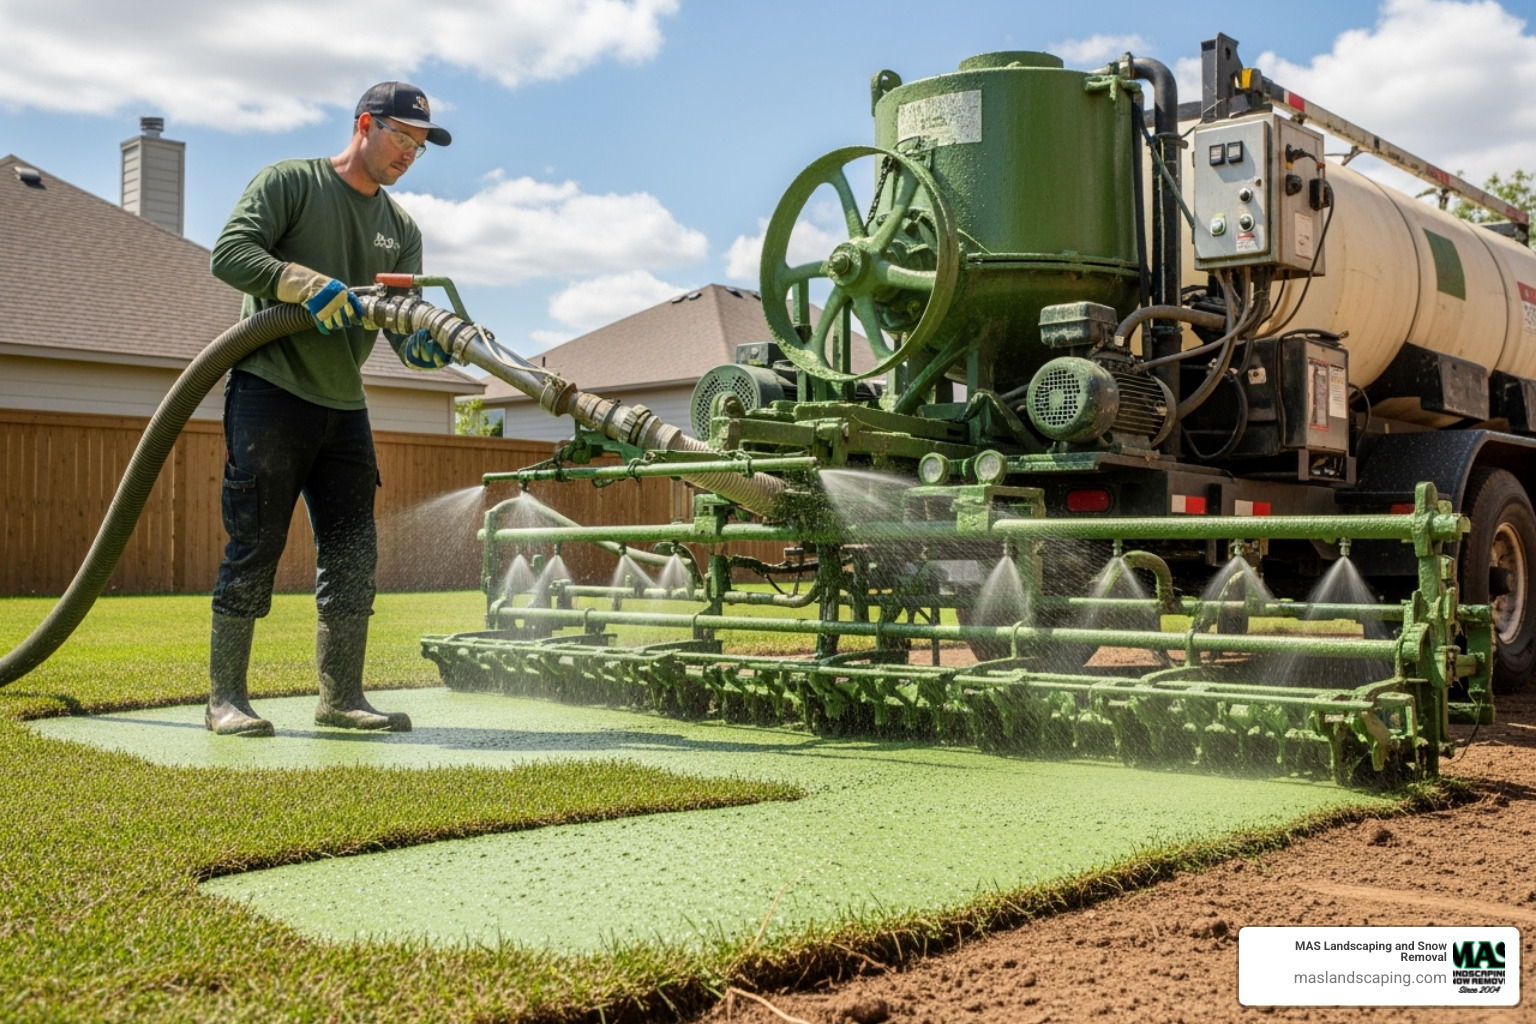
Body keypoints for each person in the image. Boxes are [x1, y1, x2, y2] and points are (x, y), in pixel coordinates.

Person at [205, 82, 455, 736]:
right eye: (402, 138)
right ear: (364, 125)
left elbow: (402, 330)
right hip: (269, 390)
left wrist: (425, 347)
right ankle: (225, 700)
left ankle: (340, 699)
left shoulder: (401, 230)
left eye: (420, 146)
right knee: (255, 543)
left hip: (344, 406)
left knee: (352, 556)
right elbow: (229, 254)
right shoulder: (291, 183)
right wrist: (301, 282)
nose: (409, 154)